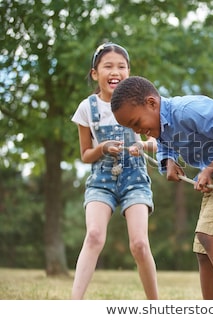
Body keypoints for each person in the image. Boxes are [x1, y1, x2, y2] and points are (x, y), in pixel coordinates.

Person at [111, 75, 213, 300]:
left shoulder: (190, 110)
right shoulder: (161, 125)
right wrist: (169, 161)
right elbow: (165, 142)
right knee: (203, 250)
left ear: (152, 103)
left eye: (137, 123)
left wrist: (209, 170)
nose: (141, 131)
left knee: (209, 235)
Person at [71, 43, 158, 299]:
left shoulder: (144, 103)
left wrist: (141, 145)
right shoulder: (87, 108)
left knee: (140, 244)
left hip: (135, 181)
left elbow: (157, 142)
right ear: (95, 73)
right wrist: (103, 148)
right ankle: (72, 305)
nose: (115, 71)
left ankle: (156, 306)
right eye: (108, 66)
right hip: (101, 181)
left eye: (121, 66)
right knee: (95, 235)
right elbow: (86, 154)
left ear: (129, 72)